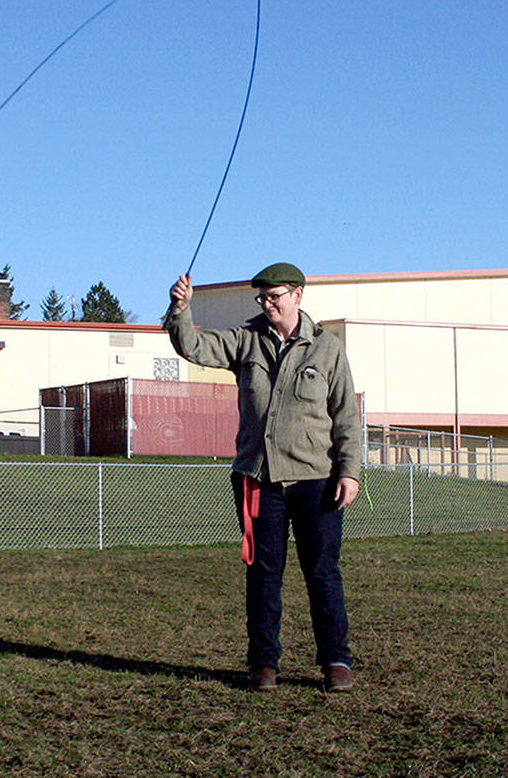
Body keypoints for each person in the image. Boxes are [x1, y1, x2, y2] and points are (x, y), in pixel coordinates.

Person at [164, 262, 362, 692]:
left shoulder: (327, 349)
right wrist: (180, 309)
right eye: (262, 298)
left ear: (298, 296)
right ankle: (263, 664)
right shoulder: (245, 340)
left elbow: (347, 415)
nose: (267, 304)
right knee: (263, 574)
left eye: (275, 296)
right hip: (258, 479)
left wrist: (350, 472)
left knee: (323, 573)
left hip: (317, 480)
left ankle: (336, 661)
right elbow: (194, 347)